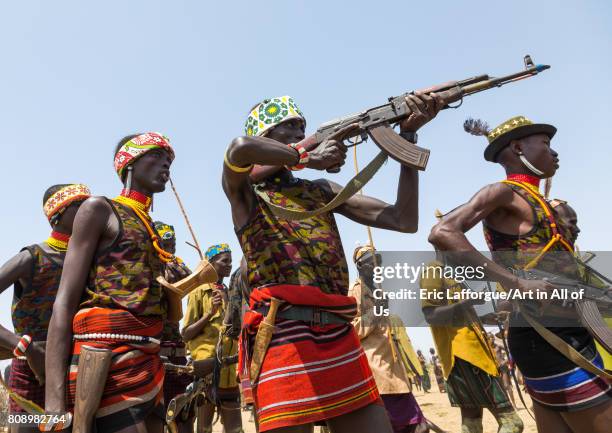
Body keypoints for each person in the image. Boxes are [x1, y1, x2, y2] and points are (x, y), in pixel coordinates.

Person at [222, 92, 445, 432]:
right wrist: (304, 156)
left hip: (337, 331)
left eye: (302, 127)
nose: (298, 132)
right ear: (266, 139)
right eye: (288, 127)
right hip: (284, 334)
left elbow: (403, 220)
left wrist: (407, 138)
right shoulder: (246, 194)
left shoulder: (322, 190)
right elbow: (239, 148)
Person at [429, 116, 612, 433]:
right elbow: (443, 232)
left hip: (560, 330)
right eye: (545, 144)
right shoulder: (503, 193)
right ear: (517, 148)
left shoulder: (535, 197)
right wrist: (515, 282)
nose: (553, 152)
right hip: (547, 335)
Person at [44, 132, 188, 433]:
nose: (166, 165)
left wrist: (169, 286)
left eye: (170, 160)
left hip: (149, 358)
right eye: (157, 156)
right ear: (130, 163)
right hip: (104, 360)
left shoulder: (151, 227)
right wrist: (54, 404)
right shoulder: (99, 209)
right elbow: (64, 301)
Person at [0, 184, 90, 432]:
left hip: (77, 369)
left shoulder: (90, 261)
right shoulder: (31, 258)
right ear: (58, 214)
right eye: (80, 206)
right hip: (30, 371)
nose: (88, 212)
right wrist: (25, 346)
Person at [421, 258, 522, 433]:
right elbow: (431, 315)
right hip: (465, 356)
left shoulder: (452, 272)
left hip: (471, 354)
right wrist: (469, 302)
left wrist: (481, 319)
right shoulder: (433, 271)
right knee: (512, 423)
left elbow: (457, 317)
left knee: (472, 422)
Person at [349, 245, 428, 433]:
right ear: (360, 266)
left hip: (393, 366)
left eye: (379, 262)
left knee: (417, 427)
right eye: (371, 263)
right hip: (376, 367)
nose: (376, 267)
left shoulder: (378, 290)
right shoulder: (355, 291)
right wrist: (376, 312)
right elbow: (353, 329)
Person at [182, 243, 242, 433]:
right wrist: (209, 314)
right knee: (204, 428)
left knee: (236, 429)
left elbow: (233, 329)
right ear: (211, 263)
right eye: (224, 261)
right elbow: (186, 333)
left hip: (230, 370)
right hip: (206, 370)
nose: (229, 265)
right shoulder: (199, 291)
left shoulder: (230, 292)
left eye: (231, 261)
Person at [154, 221, 195, 433]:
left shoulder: (175, 264)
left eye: (174, 243)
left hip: (175, 348)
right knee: (155, 413)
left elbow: (190, 278)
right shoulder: (150, 266)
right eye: (167, 244)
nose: (172, 248)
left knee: (183, 409)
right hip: (154, 348)